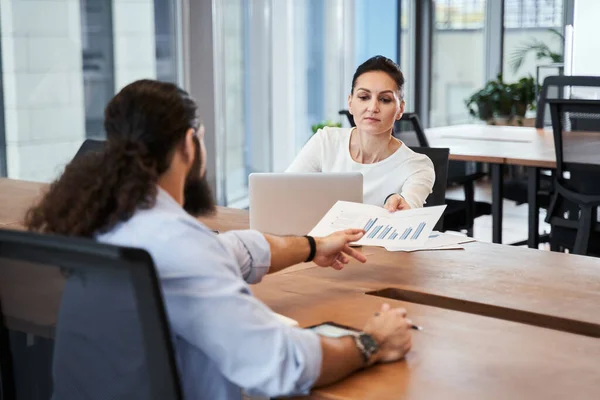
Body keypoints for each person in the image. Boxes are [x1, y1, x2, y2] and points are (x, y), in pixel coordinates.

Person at [24, 80, 413, 399]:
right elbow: (281, 363)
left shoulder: (111, 218)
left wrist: (312, 245)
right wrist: (371, 342)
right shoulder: (177, 242)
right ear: (189, 144)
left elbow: (234, 250)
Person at [287, 55, 435, 212]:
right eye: (364, 97)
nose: (372, 108)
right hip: (321, 236)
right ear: (350, 103)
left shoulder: (417, 166)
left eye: (385, 99)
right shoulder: (326, 141)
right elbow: (284, 189)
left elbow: (410, 206)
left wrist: (402, 204)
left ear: (400, 109)